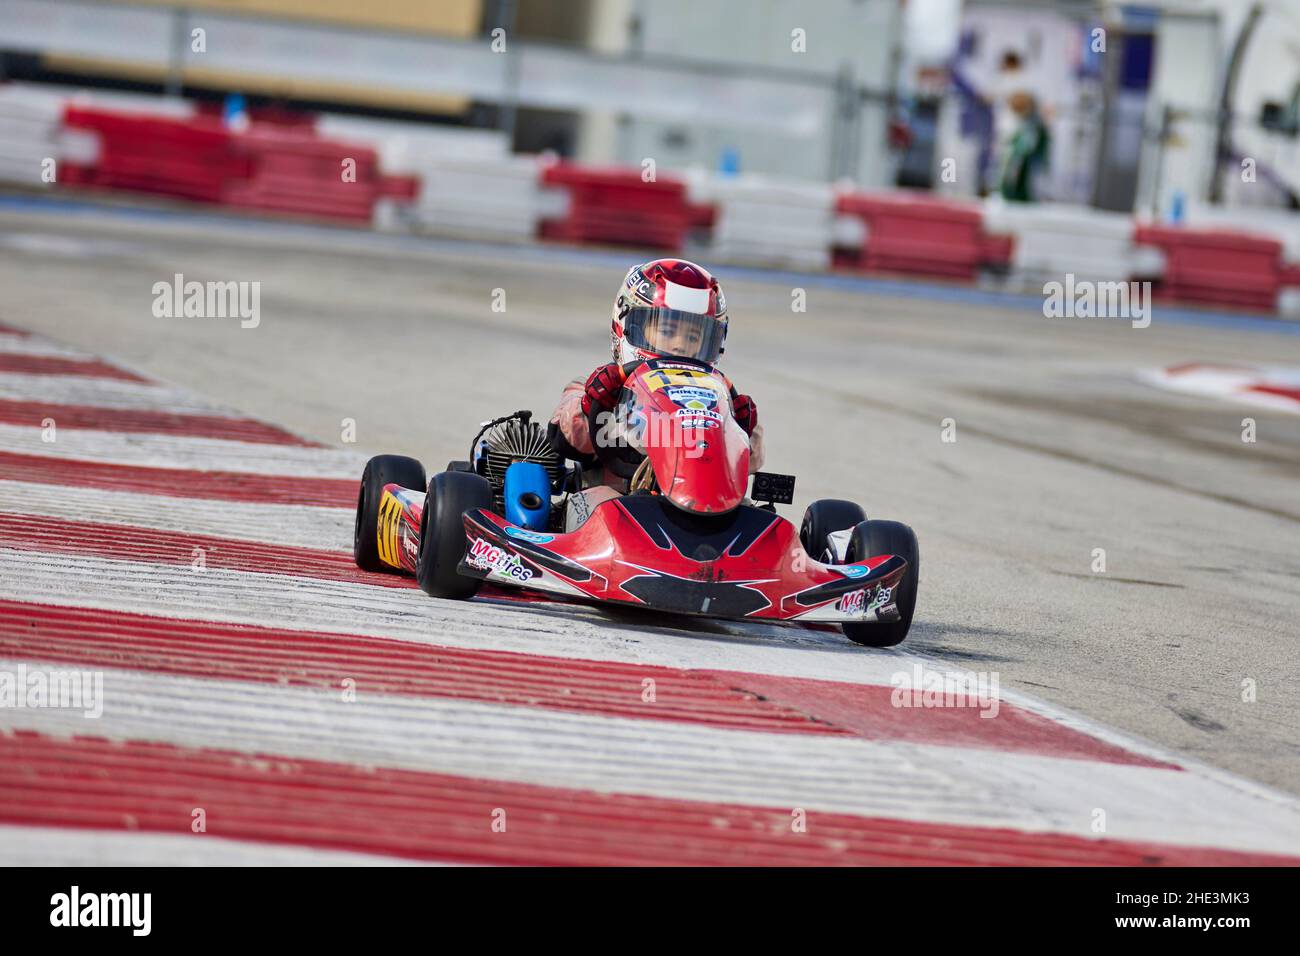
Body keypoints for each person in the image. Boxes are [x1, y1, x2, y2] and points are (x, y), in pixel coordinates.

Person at [548, 258, 763, 491]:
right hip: (614, 507)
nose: (680, 345)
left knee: (752, 514)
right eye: (667, 330)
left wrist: (740, 428)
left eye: (692, 337)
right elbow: (568, 437)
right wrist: (594, 404)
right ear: (628, 325)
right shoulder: (598, 386)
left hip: (696, 507)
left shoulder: (716, 399)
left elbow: (751, 463)